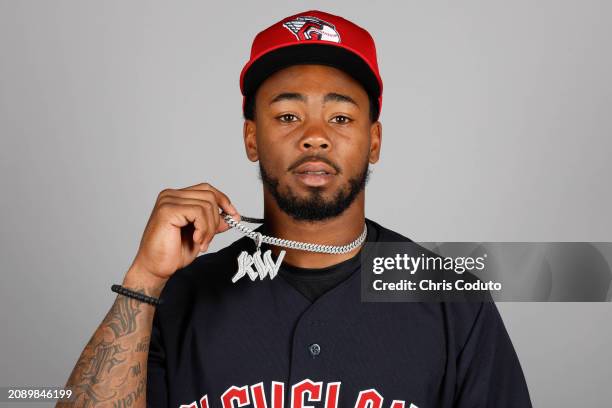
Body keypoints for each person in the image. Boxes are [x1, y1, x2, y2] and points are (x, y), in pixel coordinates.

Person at [59, 10, 532, 408]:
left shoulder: (451, 301)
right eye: (287, 116)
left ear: (374, 142)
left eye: (341, 117)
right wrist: (144, 277)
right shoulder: (177, 298)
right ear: (251, 139)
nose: (314, 135)